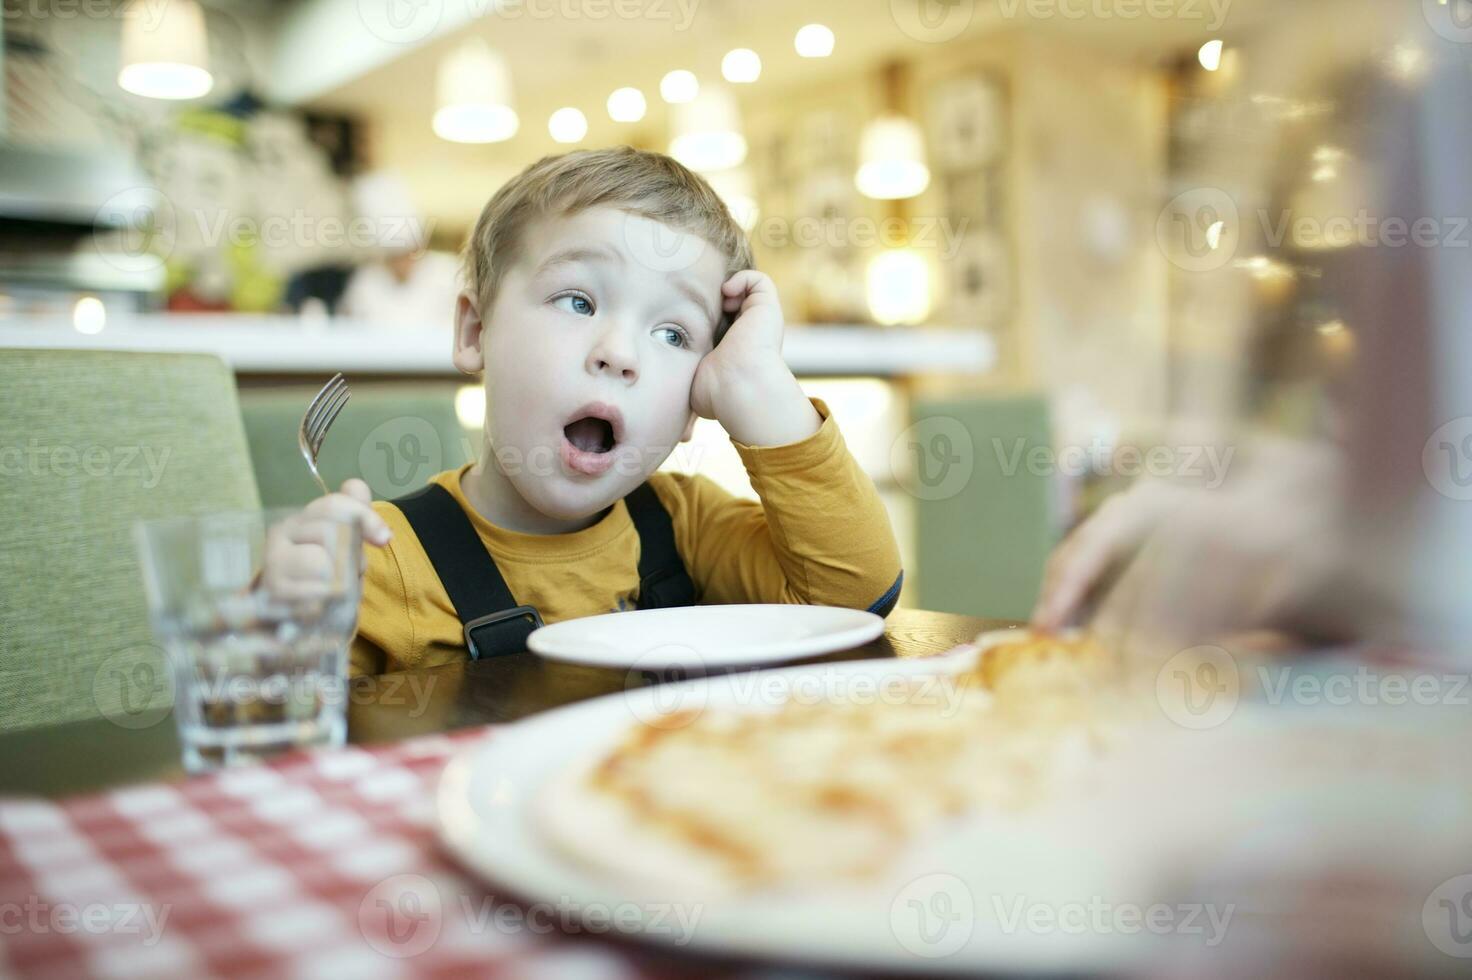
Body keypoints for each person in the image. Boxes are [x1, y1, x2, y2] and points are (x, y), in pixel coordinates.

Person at [261, 147, 904, 675]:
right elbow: (266, 728)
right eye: (577, 301)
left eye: (674, 335)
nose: (620, 354)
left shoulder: (687, 527)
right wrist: (286, 618)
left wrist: (762, 388)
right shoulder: (376, 561)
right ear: (475, 331)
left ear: (692, 409)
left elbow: (855, 597)